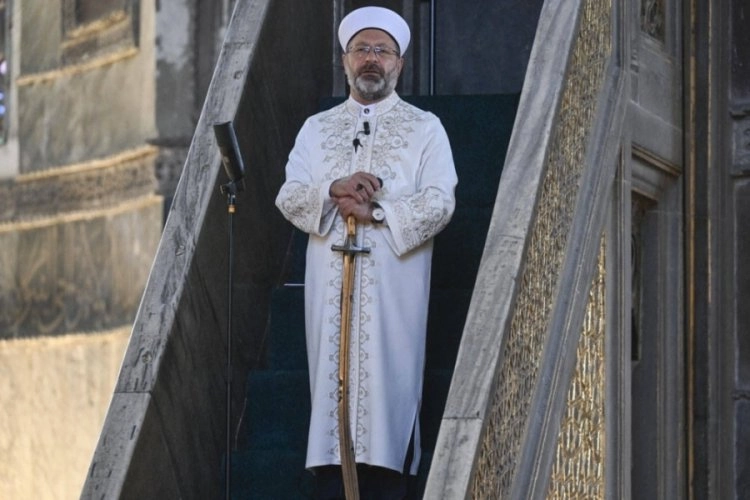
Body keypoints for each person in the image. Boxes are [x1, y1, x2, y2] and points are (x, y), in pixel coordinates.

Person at [275, 6, 457, 498]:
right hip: (330, 285)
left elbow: (440, 202)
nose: (372, 59)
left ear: (400, 63)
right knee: (331, 405)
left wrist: (375, 212)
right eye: (362, 49)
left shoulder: (425, 128)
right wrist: (332, 190)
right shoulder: (316, 129)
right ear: (345, 61)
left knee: (389, 397)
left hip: (394, 291)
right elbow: (289, 196)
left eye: (382, 51)